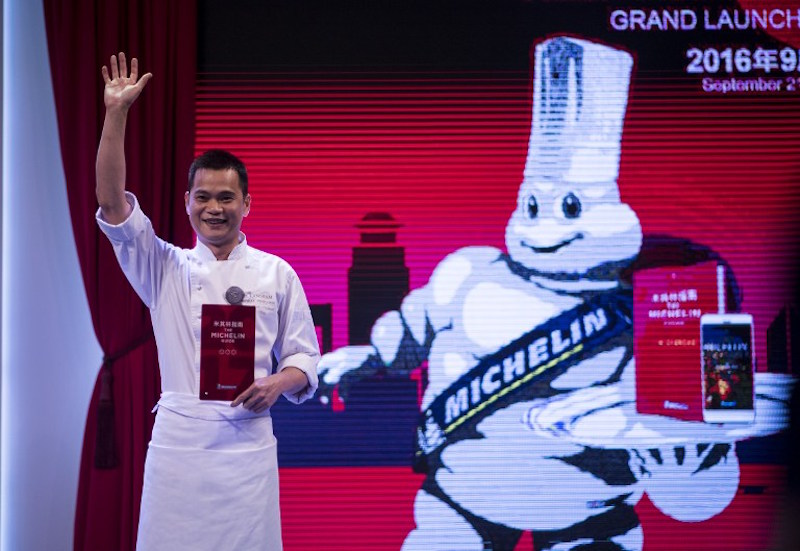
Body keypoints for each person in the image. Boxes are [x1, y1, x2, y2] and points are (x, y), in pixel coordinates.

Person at [95, 52, 320, 550]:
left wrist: (278, 383)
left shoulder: (277, 272)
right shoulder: (164, 267)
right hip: (180, 447)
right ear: (187, 202)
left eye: (226, 197)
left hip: (248, 448)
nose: (213, 208)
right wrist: (117, 114)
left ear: (246, 204)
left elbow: (304, 357)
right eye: (203, 197)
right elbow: (112, 204)